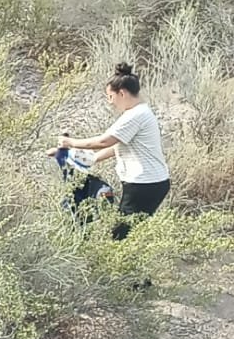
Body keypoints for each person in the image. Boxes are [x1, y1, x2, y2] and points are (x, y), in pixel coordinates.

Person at [53, 63, 170, 237]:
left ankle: (125, 262)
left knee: (120, 234)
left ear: (121, 93)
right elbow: (119, 146)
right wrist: (90, 159)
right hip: (149, 183)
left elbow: (104, 141)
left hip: (144, 184)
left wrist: (71, 142)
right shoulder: (140, 113)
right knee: (127, 230)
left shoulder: (135, 115)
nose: (110, 102)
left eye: (110, 97)